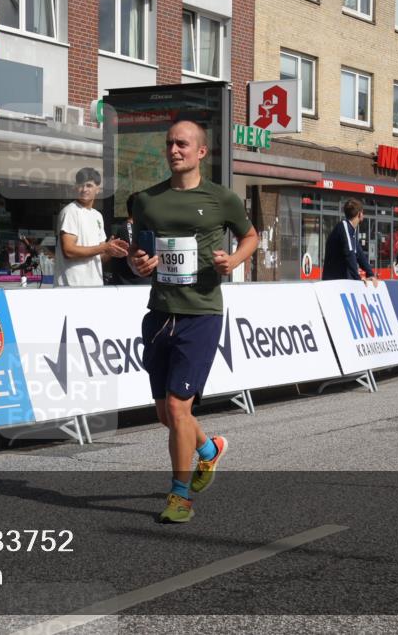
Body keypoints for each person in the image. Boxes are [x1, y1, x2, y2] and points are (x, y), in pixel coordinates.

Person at [128, 119, 259, 523]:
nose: (174, 150)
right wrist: (139, 264)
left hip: (201, 312)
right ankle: (209, 450)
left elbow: (250, 237)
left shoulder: (223, 199)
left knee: (177, 407)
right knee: (166, 415)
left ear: (201, 152)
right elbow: (139, 256)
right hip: (159, 313)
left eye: (182, 144)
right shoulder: (147, 200)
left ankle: (180, 496)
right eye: (169, 144)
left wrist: (232, 261)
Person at [53, 167, 129, 286]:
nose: (84, 189)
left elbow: (100, 258)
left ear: (98, 189)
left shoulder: (97, 216)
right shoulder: (70, 211)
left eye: (89, 185)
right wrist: (104, 247)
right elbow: (68, 251)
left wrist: (111, 251)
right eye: (80, 185)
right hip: (71, 288)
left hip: (94, 287)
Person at [321, 198, 377, 282]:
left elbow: (360, 255)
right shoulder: (344, 226)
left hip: (341, 280)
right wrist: (358, 278)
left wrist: (370, 274)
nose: (363, 215)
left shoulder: (351, 231)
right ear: (359, 214)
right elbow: (350, 254)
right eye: (363, 212)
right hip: (334, 282)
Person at [111, 192, 151, 285]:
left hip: (145, 283)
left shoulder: (143, 227)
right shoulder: (127, 227)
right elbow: (137, 256)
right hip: (130, 286)